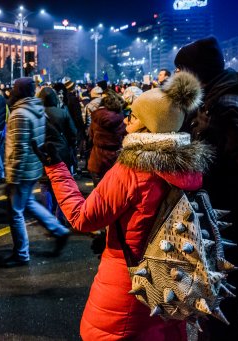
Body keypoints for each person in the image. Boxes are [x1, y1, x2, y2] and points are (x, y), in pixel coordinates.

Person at [35, 71, 206, 340]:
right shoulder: (186, 170)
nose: (127, 120)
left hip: (128, 283)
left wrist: (57, 170)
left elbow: (82, 217)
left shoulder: (133, 168)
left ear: (149, 126)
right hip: (169, 282)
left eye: (134, 116)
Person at [174, 36, 238, 341]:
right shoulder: (214, 99)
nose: (177, 77)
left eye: (181, 71)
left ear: (197, 72)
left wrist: (222, 211)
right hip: (224, 228)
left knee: (220, 317)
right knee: (216, 314)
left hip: (232, 231)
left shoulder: (228, 104)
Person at [0, 78, 70, 268]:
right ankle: (59, 230)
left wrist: (12, 179)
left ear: (19, 91)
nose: (11, 92)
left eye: (14, 89)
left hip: (22, 170)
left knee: (15, 213)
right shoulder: (36, 109)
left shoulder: (20, 114)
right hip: (33, 166)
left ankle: (21, 254)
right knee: (28, 203)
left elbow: (19, 149)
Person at [37, 86, 77, 226]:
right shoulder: (62, 112)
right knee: (62, 185)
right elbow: (73, 133)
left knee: (45, 184)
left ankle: (47, 218)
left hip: (43, 152)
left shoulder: (36, 114)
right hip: (61, 152)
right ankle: (60, 218)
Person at [88, 90, 127, 187]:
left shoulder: (96, 117)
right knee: (114, 193)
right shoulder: (122, 118)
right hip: (116, 159)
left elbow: (91, 135)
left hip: (98, 160)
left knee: (98, 194)